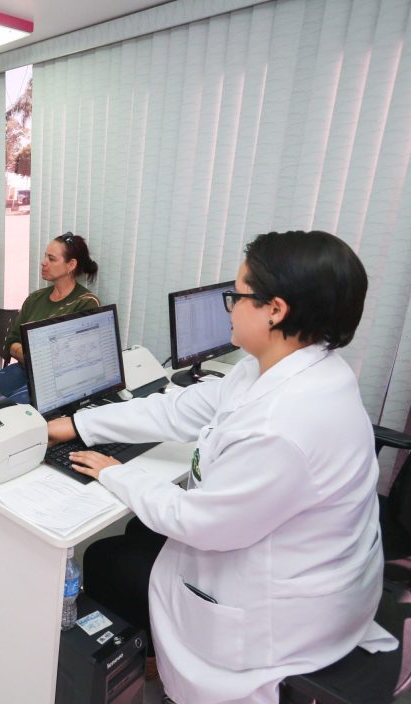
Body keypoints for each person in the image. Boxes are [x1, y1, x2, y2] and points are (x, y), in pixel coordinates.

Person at [48, 231, 394, 703]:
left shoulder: (285, 424)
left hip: (282, 618)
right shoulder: (293, 366)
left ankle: (142, 668)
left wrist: (114, 472)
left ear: (275, 310)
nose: (228, 307)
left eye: (237, 295)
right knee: (137, 532)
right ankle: (147, 655)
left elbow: (197, 521)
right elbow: (183, 408)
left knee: (107, 559)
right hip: (305, 561)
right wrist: (78, 424)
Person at [0, 232, 100, 403]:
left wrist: (31, 354)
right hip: (25, 369)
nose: (43, 262)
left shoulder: (86, 303)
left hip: (58, 382)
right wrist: (32, 356)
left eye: (51, 259)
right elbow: (11, 341)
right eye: (45, 256)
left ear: (71, 265)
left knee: (12, 406)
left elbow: (74, 359)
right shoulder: (35, 299)